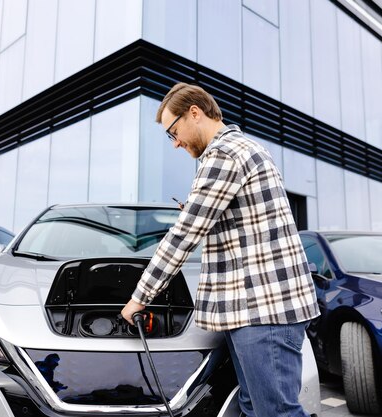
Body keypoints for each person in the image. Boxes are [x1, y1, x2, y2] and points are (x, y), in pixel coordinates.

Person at [121, 82, 320, 417]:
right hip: (256, 310)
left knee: (276, 412)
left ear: (194, 113)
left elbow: (186, 233)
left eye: (174, 131)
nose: (175, 143)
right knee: (253, 407)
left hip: (263, 311)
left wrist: (139, 299)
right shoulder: (242, 149)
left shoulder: (224, 154)